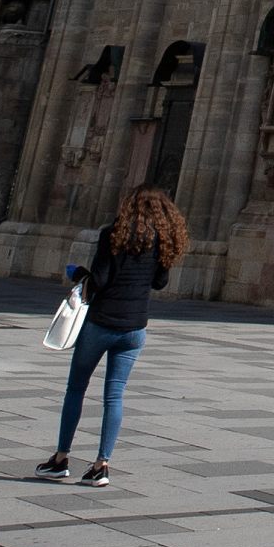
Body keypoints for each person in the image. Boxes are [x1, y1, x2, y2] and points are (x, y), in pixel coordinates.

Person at [39, 187, 185, 486]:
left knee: (76, 389)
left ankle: (60, 458)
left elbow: (101, 280)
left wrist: (78, 272)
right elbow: (159, 282)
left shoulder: (113, 234)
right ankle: (102, 464)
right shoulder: (163, 240)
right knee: (114, 396)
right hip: (134, 329)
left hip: (102, 324)